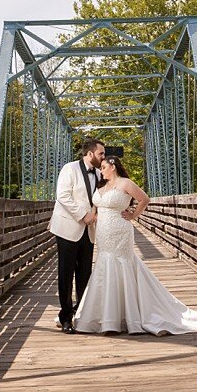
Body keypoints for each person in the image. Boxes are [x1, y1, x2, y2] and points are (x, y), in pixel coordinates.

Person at [72, 155, 197, 335]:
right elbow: (96, 206)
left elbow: (144, 199)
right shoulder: (102, 185)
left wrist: (133, 216)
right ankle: (108, 315)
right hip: (103, 232)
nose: (100, 171)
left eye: (103, 167)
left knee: (121, 264)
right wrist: (91, 217)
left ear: (113, 166)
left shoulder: (125, 183)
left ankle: (126, 316)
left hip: (120, 231)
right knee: (105, 265)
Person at [49, 137, 135, 332]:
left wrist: (130, 211)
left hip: (90, 232)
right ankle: (66, 318)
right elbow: (63, 196)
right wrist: (83, 215)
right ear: (90, 154)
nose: (104, 157)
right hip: (67, 228)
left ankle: (81, 314)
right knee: (65, 273)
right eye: (101, 153)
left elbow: (114, 195)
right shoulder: (69, 169)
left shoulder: (100, 174)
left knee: (85, 274)